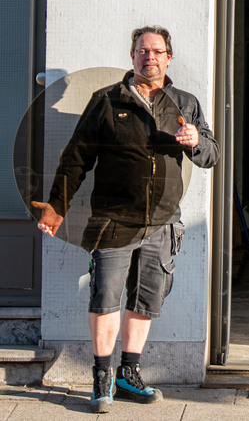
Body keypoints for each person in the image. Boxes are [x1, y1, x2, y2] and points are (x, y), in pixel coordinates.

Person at [32, 26, 219, 413]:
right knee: (106, 297)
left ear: (169, 57)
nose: (148, 56)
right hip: (113, 219)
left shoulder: (184, 103)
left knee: (145, 299)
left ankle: (128, 373)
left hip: (163, 221)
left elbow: (212, 153)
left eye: (156, 50)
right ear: (132, 56)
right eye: (141, 50)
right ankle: (102, 376)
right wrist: (55, 209)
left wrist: (195, 142)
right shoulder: (106, 101)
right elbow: (75, 159)